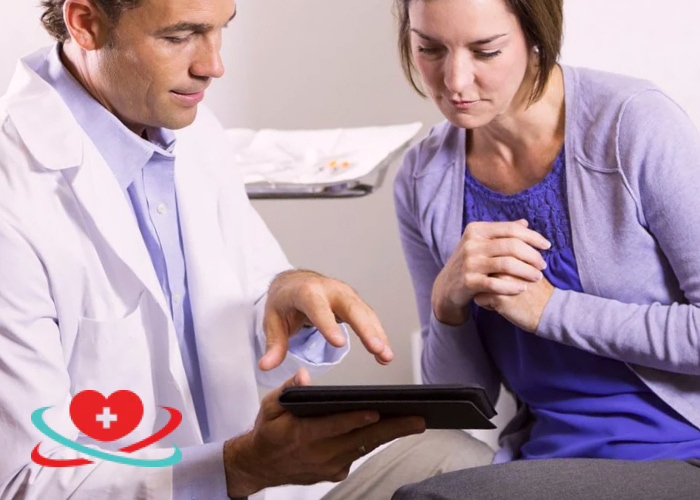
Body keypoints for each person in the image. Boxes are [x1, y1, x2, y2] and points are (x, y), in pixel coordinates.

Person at [0, 0, 491, 498]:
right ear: (86, 23)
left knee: (462, 465)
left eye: (220, 30)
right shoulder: (14, 195)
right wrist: (241, 468)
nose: (213, 66)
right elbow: (25, 482)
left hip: (252, 484)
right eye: (179, 37)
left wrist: (288, 294)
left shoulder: (189, 129)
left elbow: (252, 302)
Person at [390, 0, 700, 498]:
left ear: (537, 34)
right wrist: (447, 304)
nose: (455, 80)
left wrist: (551, 310)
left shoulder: (633, 125)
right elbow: (460, 404)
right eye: (430, 49)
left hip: (680, 451)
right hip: (540, 462)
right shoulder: (422, 180)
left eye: (485, 51)